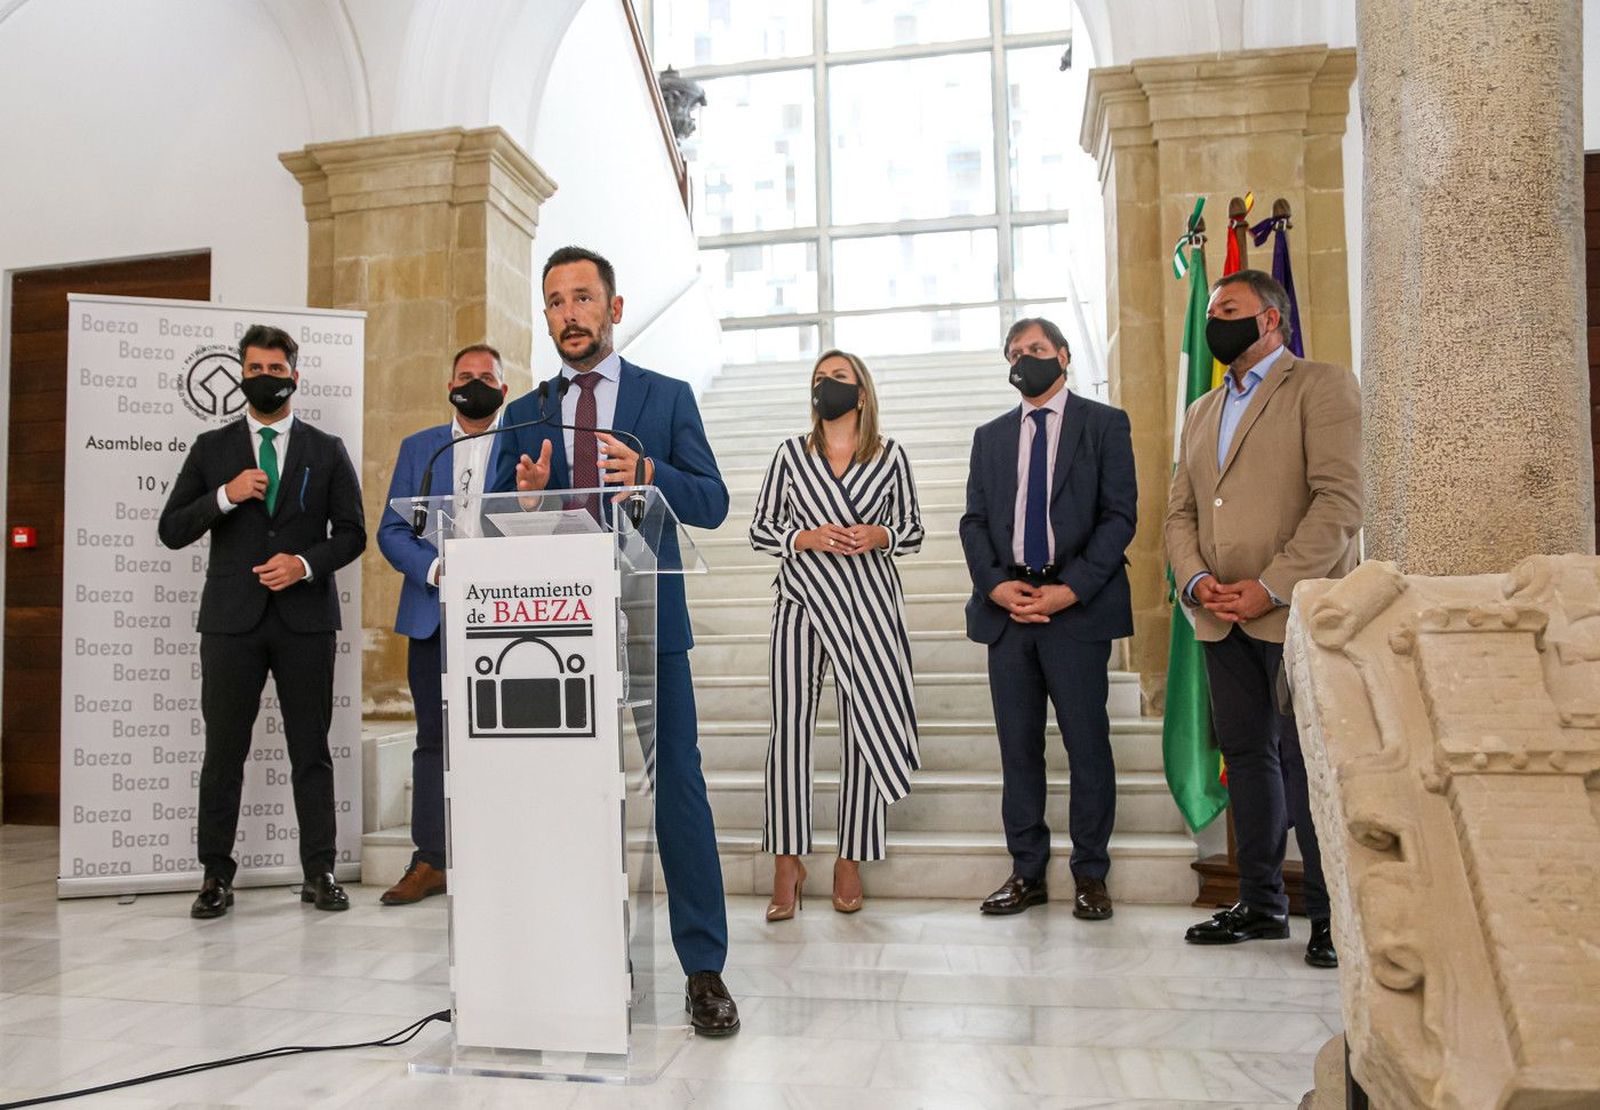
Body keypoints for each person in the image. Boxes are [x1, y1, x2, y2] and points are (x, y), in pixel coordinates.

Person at [489, 246, 738, 1036]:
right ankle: (590, 961)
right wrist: (524, 501)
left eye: (583, 298)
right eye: (556, 300)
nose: (569, 313)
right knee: (574, 799)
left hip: (649, 625)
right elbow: (492, 516)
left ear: (614, 308)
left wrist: (652, 470)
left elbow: (714, 502)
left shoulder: (666, 398)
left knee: (679, 793)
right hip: (557, 630)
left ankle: (704, 969)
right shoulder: (524, 412)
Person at [1164, 268, 1361, 969]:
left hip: (1295, 614)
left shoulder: (1321, 386)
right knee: (1246, 758)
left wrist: (1270, 586)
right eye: (1213, 310)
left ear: (1270, 320)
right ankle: (1260, 903)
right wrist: (1196, 580)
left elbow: (1339, 503)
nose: (1217, 321)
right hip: (1219, 617)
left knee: (1307, 763)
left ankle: (1333, 917)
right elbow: (1181, 512)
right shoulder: (1200, 411)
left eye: (1230, 310)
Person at [157, 324, 365, 919]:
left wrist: (303, 563)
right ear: (242, 374)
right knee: (224, 751)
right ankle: (214, 877)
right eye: (255, 369)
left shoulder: (325, 448)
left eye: (277, 370)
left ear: (295, 376)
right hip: (230, 623)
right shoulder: (211, 449)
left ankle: (319, 871)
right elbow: (172, 531)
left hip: (305, 623)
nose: (265, 379)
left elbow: (352, 534)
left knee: (311, 751)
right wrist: (225, 494)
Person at [959, 318, 1136, 920]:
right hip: (1007, 612)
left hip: (1075, 610)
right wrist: (996, 584)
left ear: (1063, 355)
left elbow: (1120, 517)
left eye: (1035, 349)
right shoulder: (989, 437)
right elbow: (975, 521)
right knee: (1018, 748)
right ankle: (1026, 871)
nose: (1023, 359)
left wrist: (1070, 590)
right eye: (1013, 353)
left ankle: (1090, 873)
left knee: (1088, 745)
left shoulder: (1105, 425)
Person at [748, 349, 923, 920]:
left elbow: (914, 530)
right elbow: (760, 529)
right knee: (790, 731)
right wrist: (804, 538)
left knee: (863, 729)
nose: (828, 386)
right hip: (801, 602)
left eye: (839, 379)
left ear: (862, 393)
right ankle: (786, 858)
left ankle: (852, 857)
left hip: (870, 608)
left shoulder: (890, 456)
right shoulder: (790, 455)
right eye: (820, 379)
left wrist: (881, 534)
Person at [374, 344, 508, 905]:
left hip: (502, 616)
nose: (473, 384)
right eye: (464, 376)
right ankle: (431, 859)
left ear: (504, 391)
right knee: (433, 741)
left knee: (503, 742)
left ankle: (499, 854)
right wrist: (436, 569)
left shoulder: (526, 444)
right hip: (433, 616)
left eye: (485, 378)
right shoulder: (419, 448)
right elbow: (391, 531)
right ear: (448, 386)